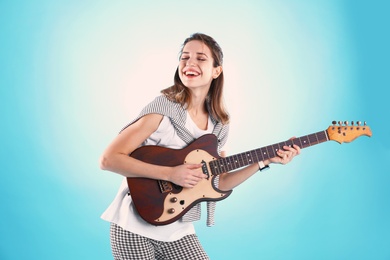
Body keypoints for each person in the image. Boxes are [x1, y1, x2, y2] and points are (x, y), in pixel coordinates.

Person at [99, 33, 300, 259]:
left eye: (201, 58)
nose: (189, 63)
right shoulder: (162, 109)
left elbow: (219, 181)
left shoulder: (218, 125)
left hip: (177, 228)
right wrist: (171, 174)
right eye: (184, 57)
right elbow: (109, 159)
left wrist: (264, 160)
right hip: (132, 225)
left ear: (216, 70)